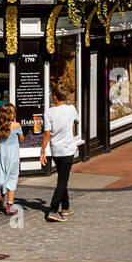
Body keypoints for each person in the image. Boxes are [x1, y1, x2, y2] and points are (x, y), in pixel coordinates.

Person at [39, 86, 79, 222]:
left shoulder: (48, 113)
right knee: (63, 180)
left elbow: (47, 134)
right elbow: (76, 121)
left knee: (62, 178)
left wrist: (42, 151)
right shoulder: (71, 109)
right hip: (68, 149)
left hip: (56, 150)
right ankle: (53, 209)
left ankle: (66, 207)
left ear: (55, 96)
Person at [0, 103, 22, 215]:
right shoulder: (17, 125)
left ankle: (1, 195)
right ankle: (9, 206)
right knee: (12, 177)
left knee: (3, 174)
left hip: (1, 152)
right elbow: (22, 138)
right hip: (13, 153)